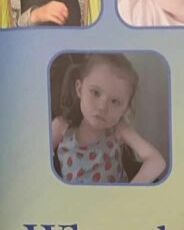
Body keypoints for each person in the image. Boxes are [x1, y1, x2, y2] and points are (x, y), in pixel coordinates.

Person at [51, 54, 166, 185]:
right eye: (95, 92)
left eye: (115, 101)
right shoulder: (60, 127)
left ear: (125, 109)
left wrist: (127, 194)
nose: (102, 107)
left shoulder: (119, 129)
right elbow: (32, 165)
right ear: (79, 89)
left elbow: (157, 161)